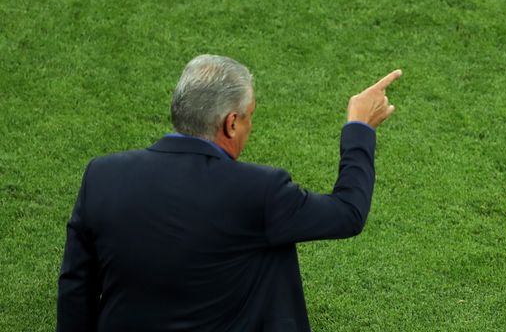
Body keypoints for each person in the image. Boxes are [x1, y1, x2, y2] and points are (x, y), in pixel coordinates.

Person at [57, 54, 402, 332]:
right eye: (250, 117)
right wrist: (359, 128)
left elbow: (77, 283)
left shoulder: (102, 175)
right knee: (272, 239)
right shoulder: (260, 190)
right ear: (231, 122)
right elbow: (347, 213)